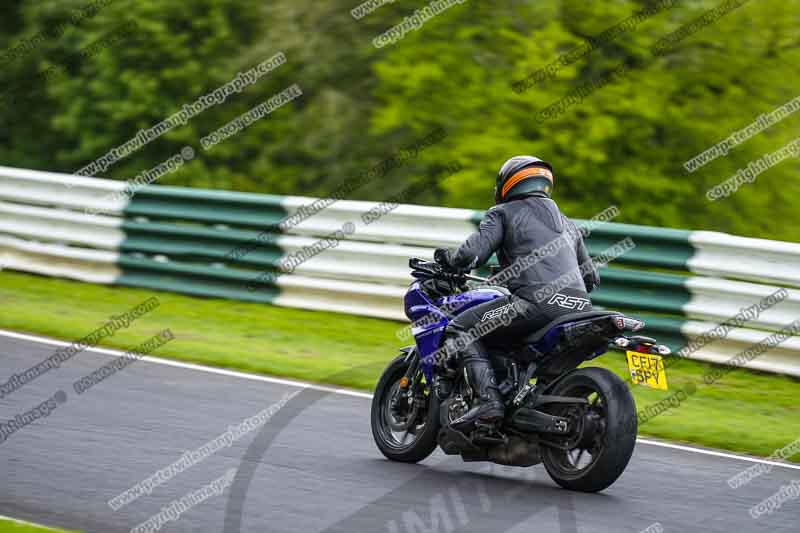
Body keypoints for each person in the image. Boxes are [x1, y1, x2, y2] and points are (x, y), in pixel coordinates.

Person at [433, 155, 600, 432]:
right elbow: (592, 278)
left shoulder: (503, 213)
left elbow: (472, 255)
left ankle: (488, 402)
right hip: (579, 308)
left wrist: (449, 260)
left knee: (460, 328)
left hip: (534, 303)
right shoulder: (568, 224)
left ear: (507, 184)